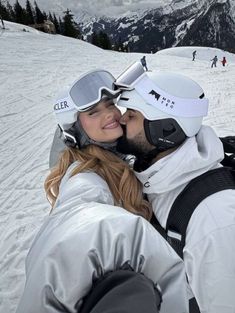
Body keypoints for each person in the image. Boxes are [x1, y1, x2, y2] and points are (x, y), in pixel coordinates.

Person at [16, 69, 188, 313]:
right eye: (92, 112)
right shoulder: (86, 175)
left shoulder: (117, 161)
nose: (109, 114)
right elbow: (82, 215)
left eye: (110, 104)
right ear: (75, 131)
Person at [115, 63, 235, 313]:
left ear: (164, 130)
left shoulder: (214, 221)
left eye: (132, 113)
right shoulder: (156, 173)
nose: (121, 119)